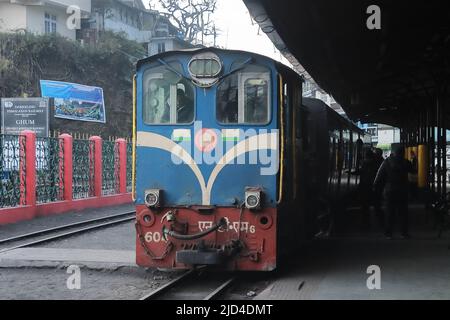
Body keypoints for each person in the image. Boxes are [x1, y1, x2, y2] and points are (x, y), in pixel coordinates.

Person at [373, 144, 415, 239]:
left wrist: (376, 187)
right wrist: (413, 159)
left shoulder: (386, 162)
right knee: (403, 213)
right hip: (402, 190)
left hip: (389, 191)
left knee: (389, 212)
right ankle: (404, 233)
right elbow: (413, 171)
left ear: (393, 152)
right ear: (403, 153)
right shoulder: (406, 162)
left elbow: (379, 176)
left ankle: (388, 233)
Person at [359, 149, 383, 229]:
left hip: (365, 188)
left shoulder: (363, 164)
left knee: (365, 208)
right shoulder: (376, 164)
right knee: (377, 207)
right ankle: (381, 223)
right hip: (374, 188)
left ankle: (365, 224)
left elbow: (362, 176)